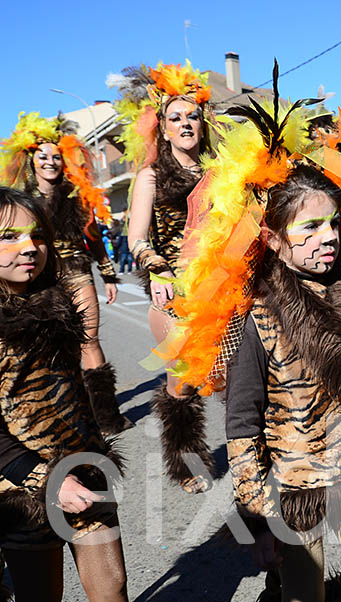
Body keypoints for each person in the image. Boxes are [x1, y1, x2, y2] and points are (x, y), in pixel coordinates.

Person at [158, 78, 341, 601]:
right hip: (293, 489)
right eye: (308, 229)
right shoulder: (257, 317)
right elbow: (240, 426)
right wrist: (258, 521)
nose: (327, 237)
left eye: (331, 225)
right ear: (273, 238)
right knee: (305, 596)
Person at [0, 187, 127, 602]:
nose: (29, 247)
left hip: (84, 466)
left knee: (112, 589)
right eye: (9, 237)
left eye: (37, 235)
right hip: (20, 486)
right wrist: (47, 479)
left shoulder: (57, 304)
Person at [111, 61, 215, 493]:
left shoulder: (220, 172)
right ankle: (185, 464)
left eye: (192, 115)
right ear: (163, 128)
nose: (185, 123)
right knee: (184, 382)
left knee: (249, 373)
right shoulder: (150, 176)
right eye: (176, 117)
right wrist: (157, 268)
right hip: (177, 292)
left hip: (224, 287)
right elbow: (136, 239)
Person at [0, 112, 130, 436]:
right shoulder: (22, 201)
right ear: (31, 161)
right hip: (40, 278)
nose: (50, 162)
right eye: (42, 156)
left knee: (89, 341)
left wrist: (109, 273)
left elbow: (94, 236)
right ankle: (65, 411)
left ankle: (107, 416)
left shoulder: (76, 195)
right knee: (53, 346)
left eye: (56, 156)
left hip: (76, 272)